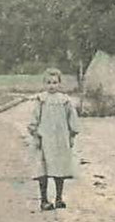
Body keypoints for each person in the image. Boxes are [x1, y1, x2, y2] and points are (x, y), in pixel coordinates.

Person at [28, 68, 79, 212]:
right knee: (42, 168)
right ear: (44, 84)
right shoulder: (41, 100)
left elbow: (72, 118)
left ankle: (59, 198)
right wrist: (36, 134)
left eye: (55, 83)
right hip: (44, 138)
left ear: (59, 84)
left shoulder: (65, 100)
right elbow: (34, 118)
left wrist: (72, 135)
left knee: (59, 168)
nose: (52, 86)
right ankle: (44, 200)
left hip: (60, 139)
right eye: (49, 83)